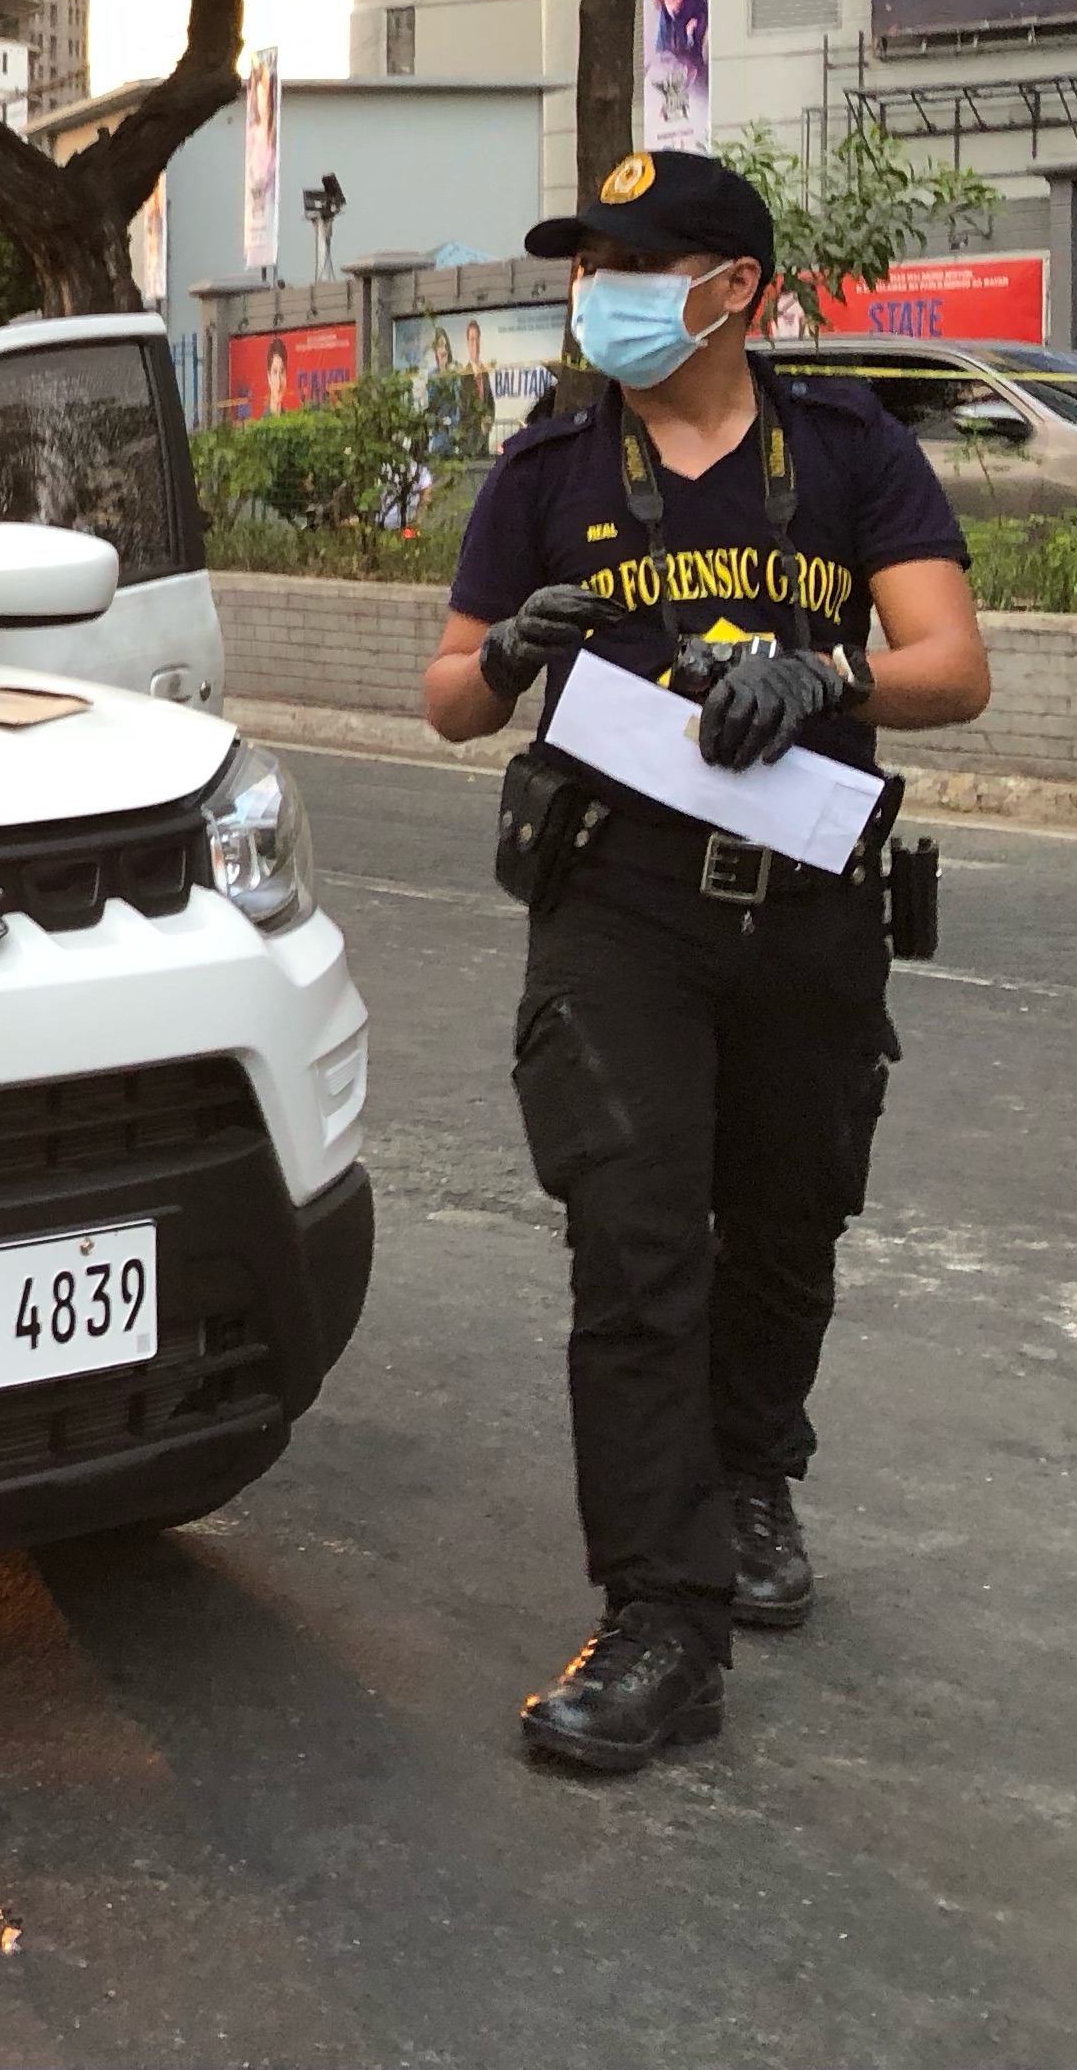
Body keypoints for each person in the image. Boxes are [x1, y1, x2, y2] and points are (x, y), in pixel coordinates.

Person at [422, 150, 991, 1772]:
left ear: (732, 286)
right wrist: (504, 653)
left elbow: (952, 662)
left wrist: (826, 680)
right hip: (618, 908)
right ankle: (659, 1608)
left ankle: (750, 1474)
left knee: (784, 1217)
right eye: (586, 258)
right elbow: (448, 694)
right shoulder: (544, 465)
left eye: (635, 259)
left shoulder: (846, 451)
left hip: (806, 899)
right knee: (633, 1233)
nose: (598, 284)